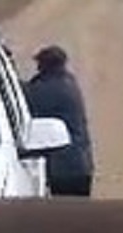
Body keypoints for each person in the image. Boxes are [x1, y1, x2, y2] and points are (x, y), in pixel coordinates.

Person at [23, 44, 94, 197]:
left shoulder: (52, 88)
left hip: (66, 168)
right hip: (79, 165)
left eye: (39, 64)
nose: (37, 68)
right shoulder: (67, 82)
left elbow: (26, 97)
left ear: (46, 65)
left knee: (65, 216)